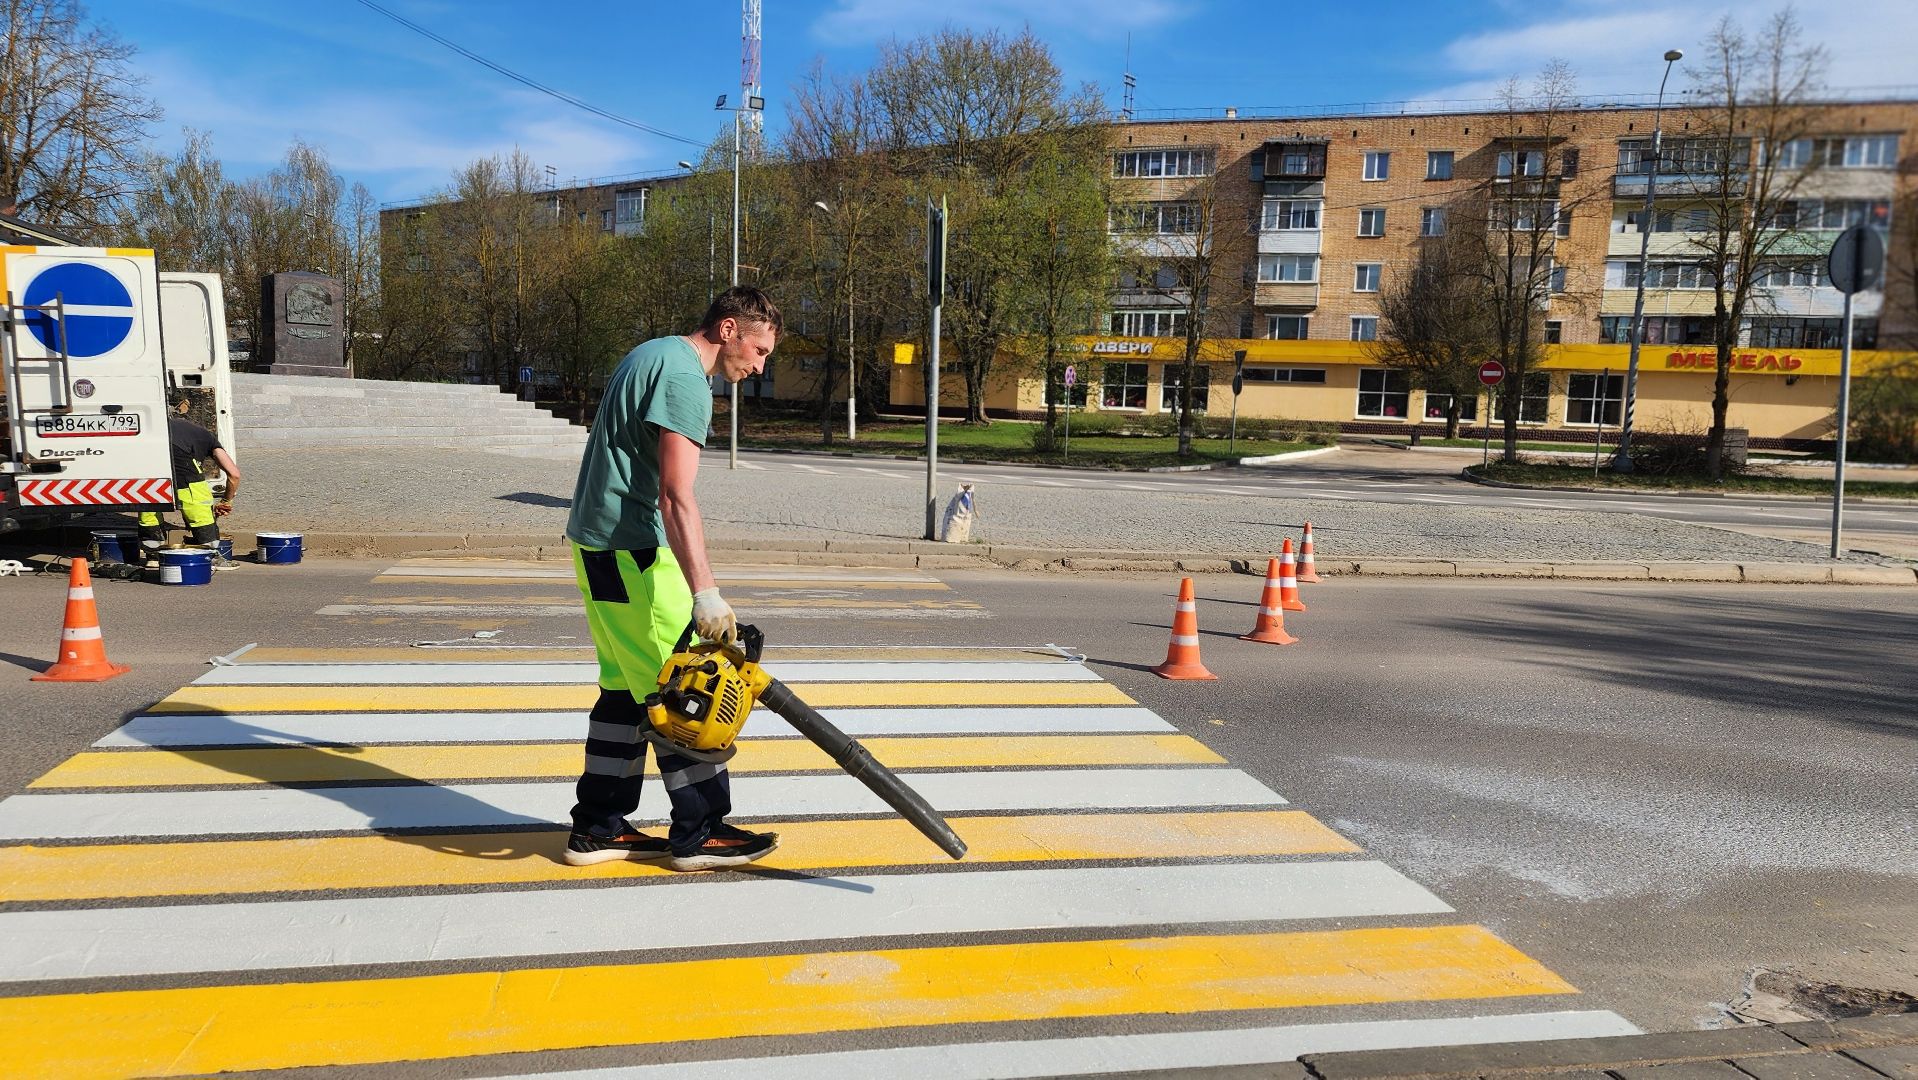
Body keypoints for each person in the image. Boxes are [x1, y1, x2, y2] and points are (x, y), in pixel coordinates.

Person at [562, 286, 780, 871]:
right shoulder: (686, 379)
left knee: (624, 693)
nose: (760, 366)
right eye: (759, 351)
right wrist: (705, 591)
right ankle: (700, 830)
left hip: (597, 545)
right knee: (686, 694)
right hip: (634, 550)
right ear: (729, 329)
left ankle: (599, 825)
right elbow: (676, 494)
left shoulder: (653, 352)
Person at [138, 390, 240, 565]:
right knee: (197, 500)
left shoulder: (166, 428)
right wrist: (226, 501)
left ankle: (153, 556)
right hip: (179, 455)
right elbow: (234, 474)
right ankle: (211, 556)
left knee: (150, 500)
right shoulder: (210, 440)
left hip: (147, 450)